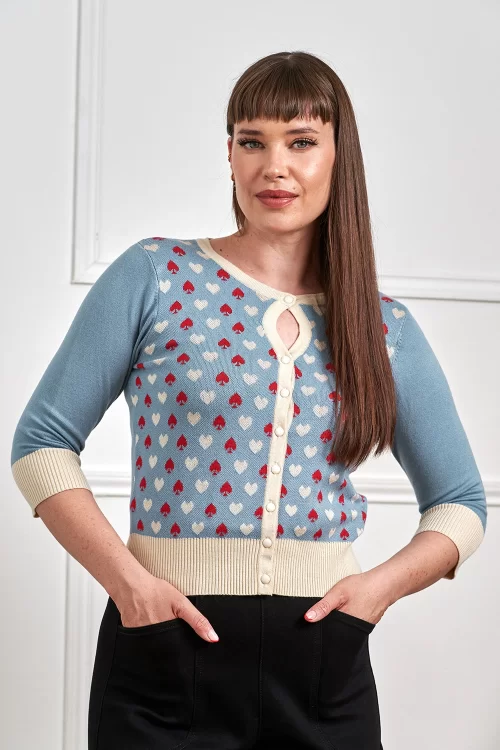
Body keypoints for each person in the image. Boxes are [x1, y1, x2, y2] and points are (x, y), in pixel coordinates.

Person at [11, 50, 486, 750]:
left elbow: (461, 504)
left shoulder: (383, 327)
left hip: (323, 661)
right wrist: (130, 585)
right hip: (163, 651)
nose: (274, 166)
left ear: (339, 156)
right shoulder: (156, 276)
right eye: (252, 141)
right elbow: (41, 445)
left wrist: (377, 590)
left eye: (301, 141)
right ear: (229, 155)